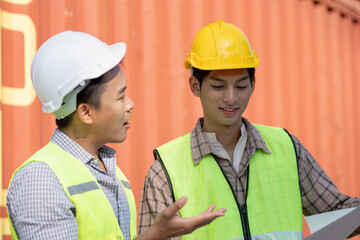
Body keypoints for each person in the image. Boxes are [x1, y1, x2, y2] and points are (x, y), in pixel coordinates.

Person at [137, 20, 360, 239]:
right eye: (218, 86)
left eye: (241, 86)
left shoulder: (287, 149)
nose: (231, 98)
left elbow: (338, 214)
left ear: (253, 84)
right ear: (196, 86)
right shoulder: (165, 171)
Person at [6, 31, 227, 240]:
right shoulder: (41, 179)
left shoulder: (111, 172)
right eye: (120, 97)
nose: (130, 104)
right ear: (86, 112)